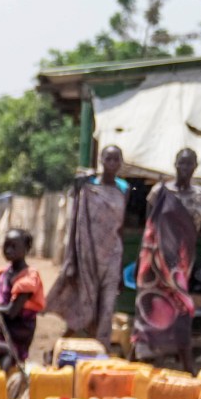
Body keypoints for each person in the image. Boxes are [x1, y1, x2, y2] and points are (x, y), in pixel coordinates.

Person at [133, 147, 201, 370]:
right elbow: (149, 229)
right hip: (155, 264)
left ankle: (182, 364)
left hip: (180, 265)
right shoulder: (159, 192)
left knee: (181, 310)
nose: (185, 168)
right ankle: (152, 362)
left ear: (195, 167)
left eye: (189, 164)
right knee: (151, 310)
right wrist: (140, 262)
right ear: (175, 164)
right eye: (181, 163)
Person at [46, 144, 129, 343]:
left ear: (121, 163)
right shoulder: (88, 186)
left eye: (116, 159)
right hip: (88, 254)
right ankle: (62, 345)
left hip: (112, 255)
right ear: (101, 160)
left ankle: (102, 349)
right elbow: (76, 218)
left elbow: (120, 226)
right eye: (108, 159)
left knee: (107, 307)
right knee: (85, 305)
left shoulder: (124, 189)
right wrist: (71, 259)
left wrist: (121, 264)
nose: (112, 163)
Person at [0, 227, 45, 366]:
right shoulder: (3, 273)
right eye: (6, 246)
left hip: (15, 332)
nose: (8, 250)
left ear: (26, 248)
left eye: (14, 246)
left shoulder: (28, 278)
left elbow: (12, 312)